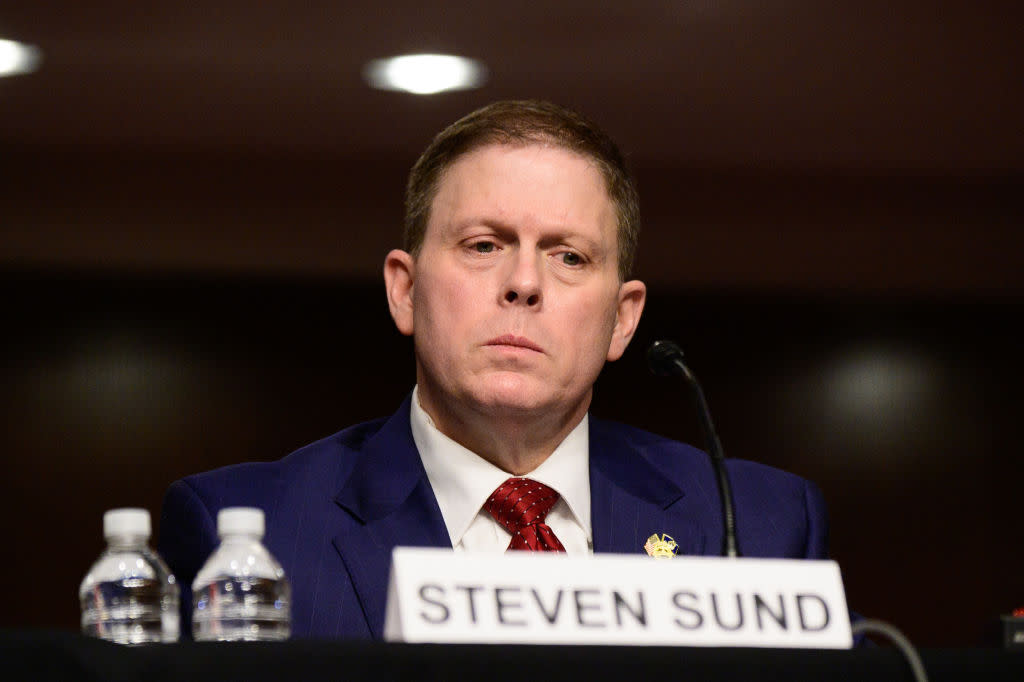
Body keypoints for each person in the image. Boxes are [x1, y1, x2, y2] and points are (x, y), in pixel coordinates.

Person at [159, 100, 833, 639]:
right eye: (484, 245)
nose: (523, 283)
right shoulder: (252, 534)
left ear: (623, 319)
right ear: (405, 289)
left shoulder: (758, 523)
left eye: (568, 256)